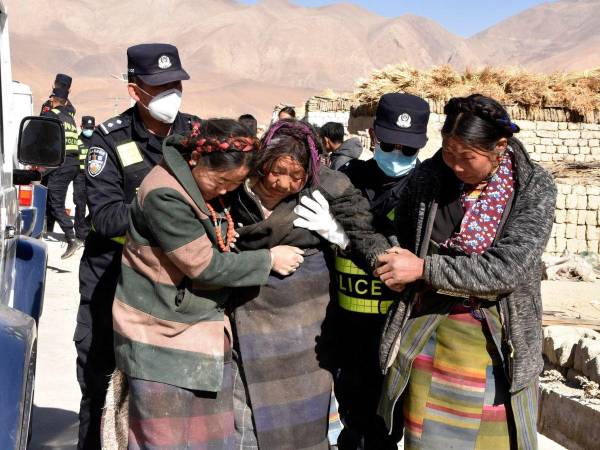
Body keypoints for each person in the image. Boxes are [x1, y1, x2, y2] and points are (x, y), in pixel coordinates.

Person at [375, 94, 556, 449]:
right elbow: (404, 233)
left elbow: (507, 269)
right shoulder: (430, 177)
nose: (455, 166)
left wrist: (424, 268)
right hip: (430, 334)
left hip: (494, 341)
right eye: (448, 153)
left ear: (499, 147)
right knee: (424, 437)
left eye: (467, 158)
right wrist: (395, 260)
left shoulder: (533, 189)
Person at [110, 119, 304, 448]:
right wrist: (268, 260)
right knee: (163, 440)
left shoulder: (200, 188)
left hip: (197, 334)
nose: (226, 191)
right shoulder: (165, 195)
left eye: (235, 184)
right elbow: (204, 265)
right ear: (197, 161)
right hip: (160, 337)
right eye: (222, 181)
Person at [229, 119, 389, 449]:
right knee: (245, 411)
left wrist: (340, 236)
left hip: (305, 322)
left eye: (295, 176)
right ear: (262, 159)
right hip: (246, 311)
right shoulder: (235, 182)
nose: (283, 183)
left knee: (305, 413)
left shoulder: (328, 185)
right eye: (275, 171)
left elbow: (367, 235)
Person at [75, 43, 199, 450]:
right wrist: (169, 214)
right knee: (101, 391)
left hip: (175, 292)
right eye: (160, 86)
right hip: (112, 286)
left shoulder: (196, 137)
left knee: (170, 399)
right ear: (135, 91)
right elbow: (106, 217)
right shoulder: (107, 142)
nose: (172, 93)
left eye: (176, 83)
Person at [332, 93, 430, 450]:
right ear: (373, 135)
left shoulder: (426, 189)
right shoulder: (347, 178)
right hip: (345, 330)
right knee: (353, 426)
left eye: (408, 150)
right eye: (389, 144)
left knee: (386, 429)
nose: (397, 155)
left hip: (396, 331)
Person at [42, 86, 85, 258]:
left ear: (52, 100)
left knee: (54, 202)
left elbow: (44, 139)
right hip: (73, 164)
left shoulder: (52, 115)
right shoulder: (69, 118)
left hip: (63, 163)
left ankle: (71, 238)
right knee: (55, 200)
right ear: (65, 102)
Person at [71, 115, 95, 245]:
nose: (89, 130)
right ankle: (80, 235)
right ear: (81, 127)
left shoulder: (98, 141)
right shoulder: (77, 141)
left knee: (95, 206)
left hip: (94, 179)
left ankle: (86, 229)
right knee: (80, 206)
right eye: (86, 128)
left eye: (91, 128)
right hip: (80, 177)